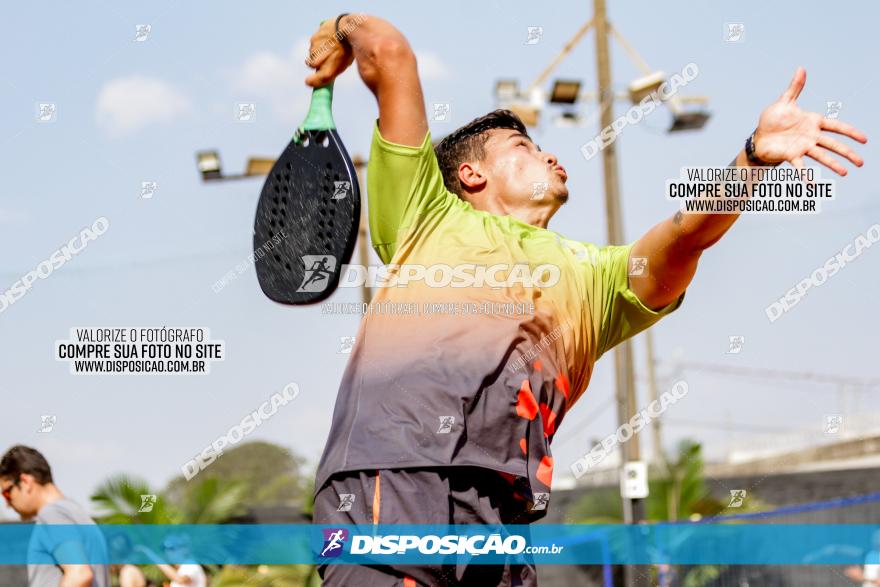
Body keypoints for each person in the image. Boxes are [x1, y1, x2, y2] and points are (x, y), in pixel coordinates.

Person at [305, 13, 867, 586]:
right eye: (523, 146)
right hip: (391, 473)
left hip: (502, 512)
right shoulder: (423, 214)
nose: (549, 156)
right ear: (470, 174)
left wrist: (750, 158)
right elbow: (390, 53)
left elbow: (688, 233)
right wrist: (339, 28)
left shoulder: (594, 277)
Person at [0, 445, 111, 587]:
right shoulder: (78, 515)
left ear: (26, 482)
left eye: (7, 493)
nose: (8, 504)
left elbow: (79, 574)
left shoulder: (52, 515)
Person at [135, 535, 207, 587]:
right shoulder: (181, 569)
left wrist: (148, 553)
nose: (168, 552)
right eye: (165, 549)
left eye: (172, 548)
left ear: (184, 549)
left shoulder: (190, 565)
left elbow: (180, 580)